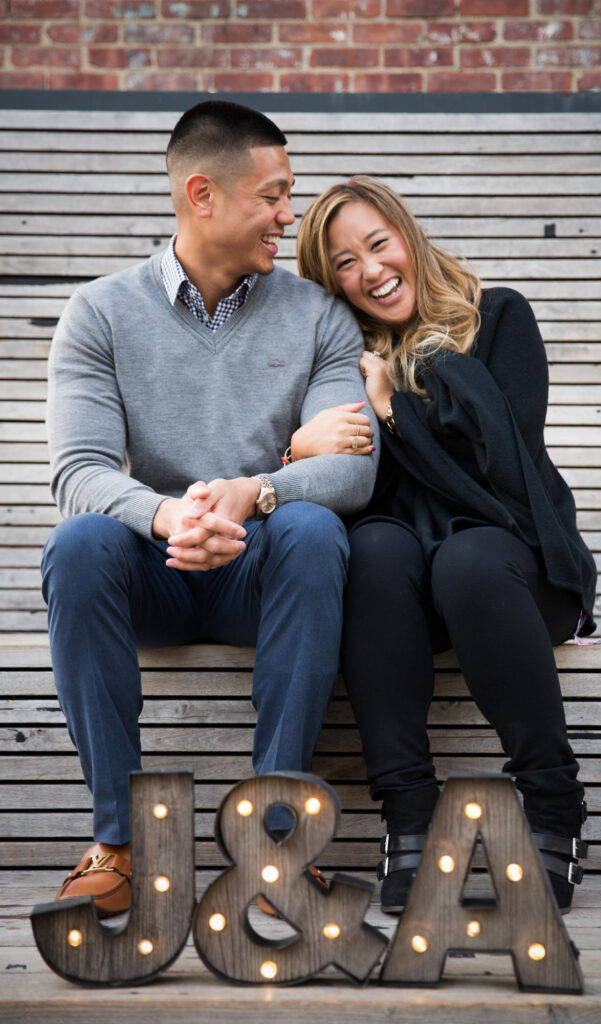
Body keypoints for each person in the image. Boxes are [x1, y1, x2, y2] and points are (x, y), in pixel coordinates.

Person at [41, 102, 379, 916]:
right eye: (272, 196)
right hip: (155, 569)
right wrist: (168, 518)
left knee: (312, 526)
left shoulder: (320, 317)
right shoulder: (100, 314)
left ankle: (276, 843)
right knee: (80, 543)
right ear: (202, 194)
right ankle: (117, 843)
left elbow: (351, 474)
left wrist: (254, 492)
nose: (287, 217)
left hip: (259, 574)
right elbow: (78, 471)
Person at [295, 176, 598, 915]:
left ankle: (554, 808)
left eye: (377, 243)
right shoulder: (345, 359)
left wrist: (396, 409)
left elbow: (498, 478)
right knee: (373, 550)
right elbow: (353, 488)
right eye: (343, 263)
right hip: (406, 599)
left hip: (518, 568)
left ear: (407, 235)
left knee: (467, 559)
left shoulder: (498, 318)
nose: (369, 270)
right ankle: (410, 818)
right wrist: (302, 445)